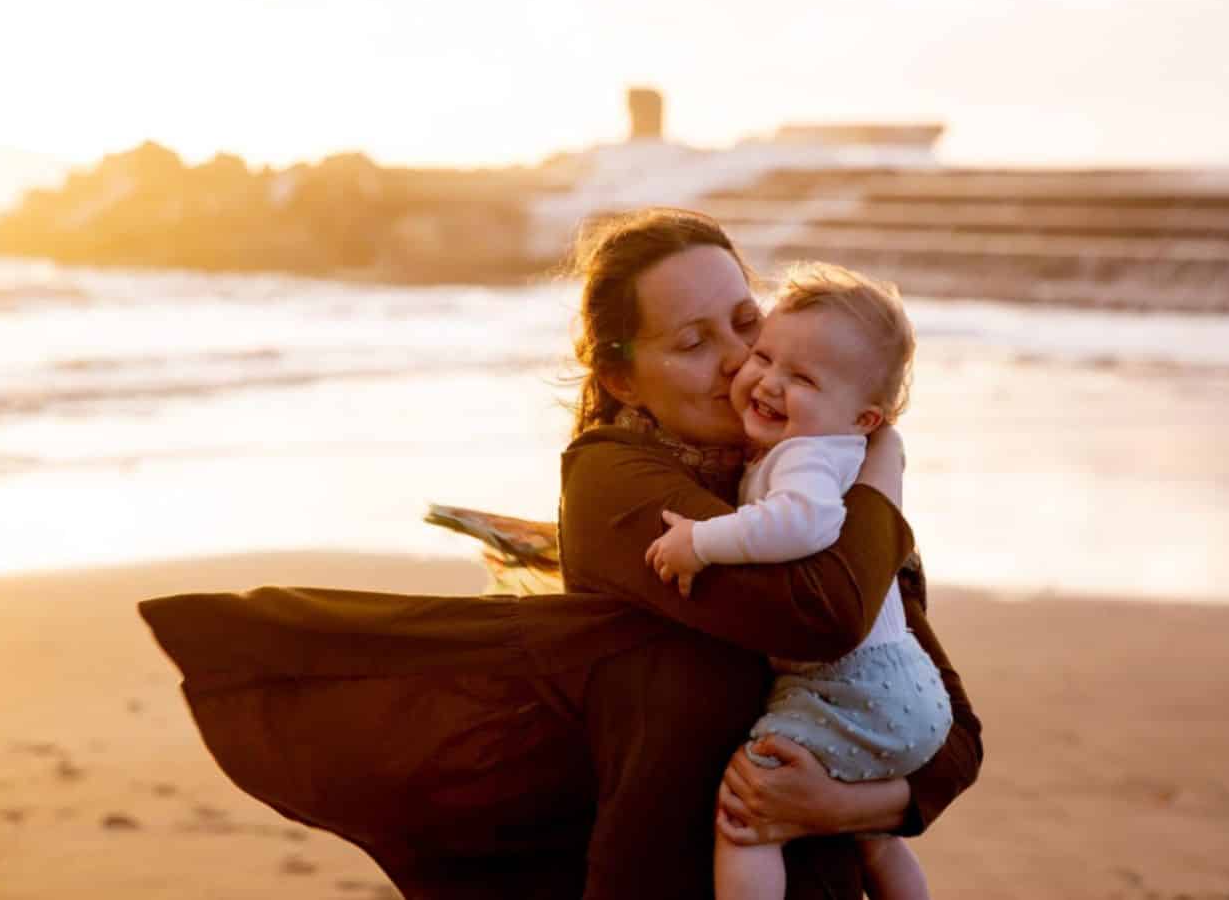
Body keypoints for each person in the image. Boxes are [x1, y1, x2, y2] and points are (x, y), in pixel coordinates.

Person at [138, 206, 982, 899]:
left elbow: (951, 734)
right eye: (692, 343)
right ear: (622, 379)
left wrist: (839, 806)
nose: (737, 363)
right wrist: (885, 474)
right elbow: (823, 612)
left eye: (745, 322)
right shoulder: (616, 484)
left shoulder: (795, 483)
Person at [646, 261, 948, 900]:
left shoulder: (808, 458)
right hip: (902, 690)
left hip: (852, 687)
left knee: (748, 816)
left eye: (803, 377)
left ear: (866, 418)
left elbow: (801, 524)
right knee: (877, 842)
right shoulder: (829, 450)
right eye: (765, 356)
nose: (766, 382)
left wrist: (699, 542)